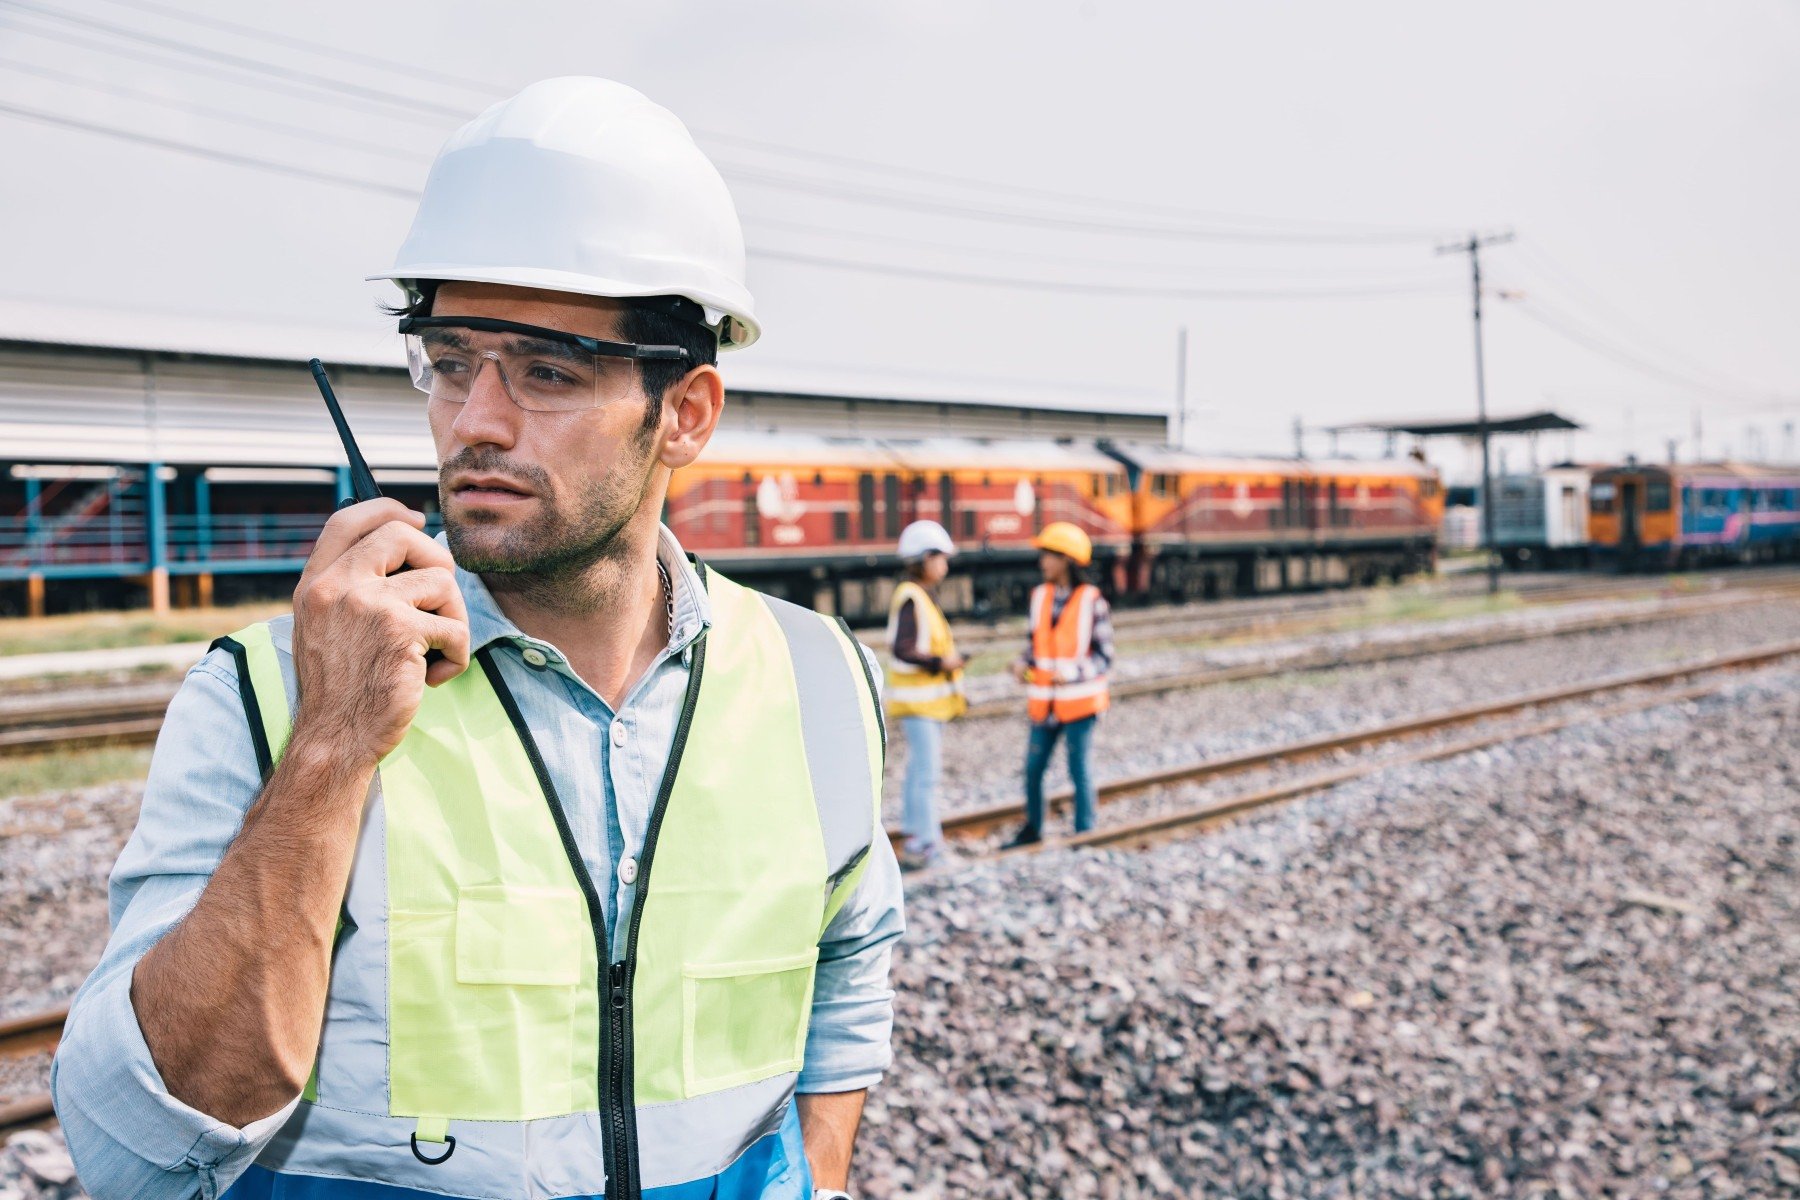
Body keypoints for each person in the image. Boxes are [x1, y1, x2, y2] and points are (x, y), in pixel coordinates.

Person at [52, 78, 901, 1200]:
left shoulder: (815, 675)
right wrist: (332, 750)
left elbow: (846, 951)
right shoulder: (263, 695)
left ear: (685, 413)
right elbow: (131, 1152)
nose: (478, 420)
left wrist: (820, 1175)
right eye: (452, 362)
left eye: (546, 371)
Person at [1004, 522, 1114, 846]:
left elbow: (1105, 658)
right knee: (1033, 769)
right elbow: (1035, 644)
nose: (1042, 562)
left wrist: (1073, 674)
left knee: (1078, 768)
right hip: (1045, 702)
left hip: (1080, 702)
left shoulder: (1093, 601)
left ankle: (1085, 831)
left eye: (1048, 555)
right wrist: (1023, 662)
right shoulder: (1039, 597)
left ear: (1066, 559)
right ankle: (1033, 829)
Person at [884, 520, 967, 869]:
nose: (945, 566)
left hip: (926, 704)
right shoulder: (912, 597)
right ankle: (926, 845)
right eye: (941, 558)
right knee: (925, 776)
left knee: (920, 773)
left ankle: (919, 839)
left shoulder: (917, 596)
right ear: (926, 558)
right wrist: (941, 661)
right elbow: (903, 649)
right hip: (920, 705)